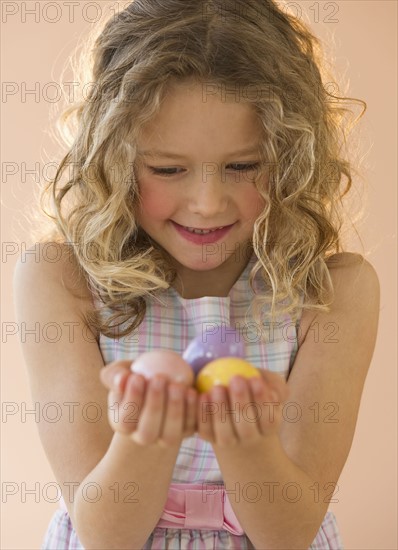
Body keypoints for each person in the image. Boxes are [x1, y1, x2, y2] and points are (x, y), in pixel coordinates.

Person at [13, 1, 380, 549]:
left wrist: (244, 437)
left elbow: (290, 533)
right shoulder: (61, 279)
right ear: (113, 157)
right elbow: (103, 536)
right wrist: (147, 433)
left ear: (293, 156)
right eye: (167, 169)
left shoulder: (334, 291)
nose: (207, 204)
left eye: (242, 166)